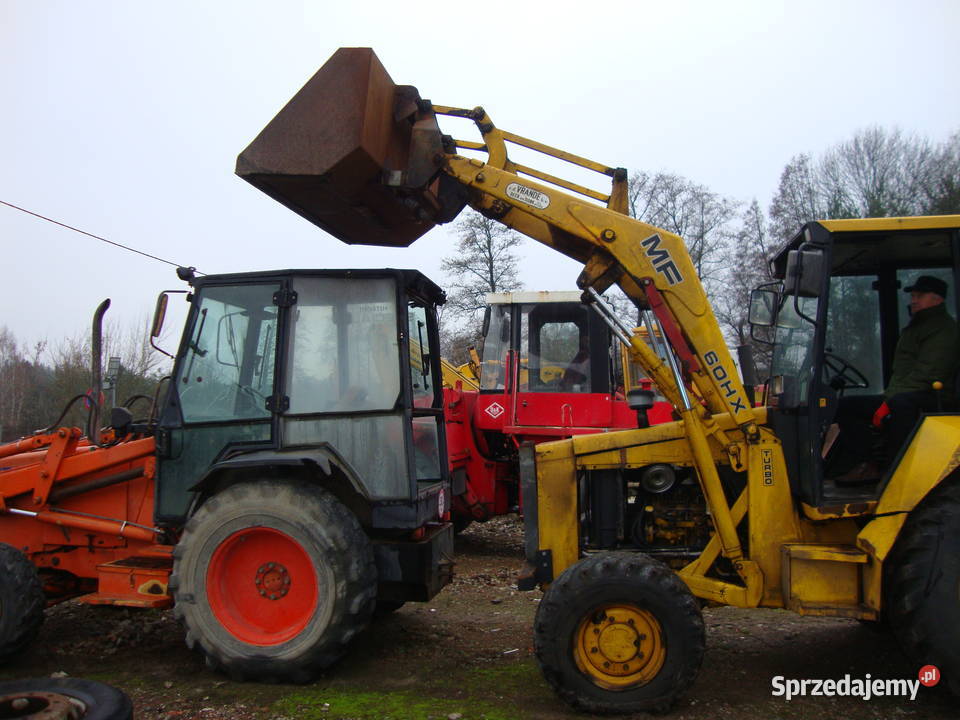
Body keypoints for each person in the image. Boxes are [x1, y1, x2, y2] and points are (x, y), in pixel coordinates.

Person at [836, 275, 960, 482]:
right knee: (846, 406)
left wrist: (888, 402)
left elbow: (927, 374)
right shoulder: (918, 326)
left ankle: (896, 472)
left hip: (935, 397)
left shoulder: (944, 330)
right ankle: (868, 463)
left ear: (937, 299)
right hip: (907, 392)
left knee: (901, 405)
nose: (913, 300)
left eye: (920, 295)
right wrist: (887, 399)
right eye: (913, 295)